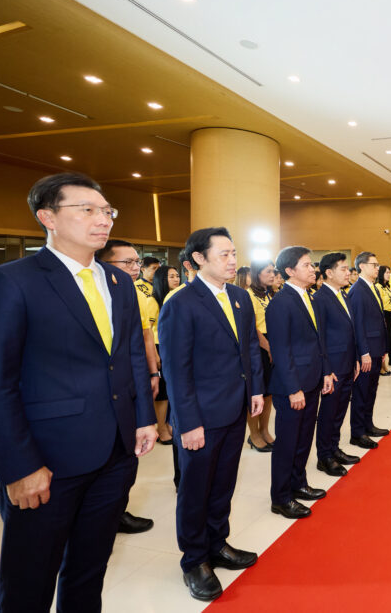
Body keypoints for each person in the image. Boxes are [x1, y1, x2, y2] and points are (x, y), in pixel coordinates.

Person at [0, 172, 157, 611]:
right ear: (47, 216)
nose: (102, 219)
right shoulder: (9, 282)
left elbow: (127, 357)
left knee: (89, 569)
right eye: (86, 209)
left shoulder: (120, 282)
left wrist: (143, 415)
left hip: (115, 451)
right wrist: (17, 466)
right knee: (29, 580)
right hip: (46, 458)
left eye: (107, 211)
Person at [158, 227, 264, 602]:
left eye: (234, 253)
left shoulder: (239, 296)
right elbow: (175, 367)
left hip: (235, 407)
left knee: (223, 483)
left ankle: (218, 544)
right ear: (198, 259)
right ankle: (194, 560)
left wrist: (256, 390)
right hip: (200, 414)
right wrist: (187, 422)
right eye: (224, 254)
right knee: (195, 489)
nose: (233, 261)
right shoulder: (181, 302)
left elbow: (250, 347)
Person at [97, 239, 162, 535]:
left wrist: (152, 371)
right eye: (128, 263)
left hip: (128, 381)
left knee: (125, 457)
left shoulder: (133, 293)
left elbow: (143, 339)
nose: (135, 268)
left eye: (137, 262)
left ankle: (116, 509)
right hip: (98, 389)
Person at [266, 246, 334, 519]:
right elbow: (281, 350)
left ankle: (299, 483)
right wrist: (294, 388)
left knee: (305, 437)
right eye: (306, 265)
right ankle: (281, 497)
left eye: (311, 264)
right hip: (292, 386)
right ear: (290, 271)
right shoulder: (281, 303)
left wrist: (326, 371)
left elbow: (320, 341)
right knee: (288, 441)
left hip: (312, 378)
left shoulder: (310, 297)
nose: (312, 269)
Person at [313, 252, 362, 477]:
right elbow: (320, 337)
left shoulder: (344, 295)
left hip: (347, 363)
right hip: (332, 366)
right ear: (329, 273)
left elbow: (350, 330)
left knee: (340, 409)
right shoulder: (320, 298)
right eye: (343, 269)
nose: (348, 272)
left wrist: (356, 359)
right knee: (329, 412)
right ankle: (324, 456)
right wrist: (326, 369)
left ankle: (334, 448)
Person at [346, 252, 390, 451]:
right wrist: (363, 352)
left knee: (371, 390)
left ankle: (368, 424)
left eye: (378, 264)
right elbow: (358, 325)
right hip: (366, 351)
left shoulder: (372, 288)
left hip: (376, 348)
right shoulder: (357, 290)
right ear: (362, 266)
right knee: (362, 392)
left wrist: (382, 349)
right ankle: (357, 433)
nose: (377, 268)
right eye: (374, 264)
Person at [246, 260, 277, 453]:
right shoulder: (248, 295)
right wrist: (268, 348)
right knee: (257, 393)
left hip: (272, 343)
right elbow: (253, 328)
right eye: (268, 271)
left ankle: (265, 430)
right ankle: (254, 434)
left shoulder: (269, 294)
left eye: (274, 271)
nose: (273, 274)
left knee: (269, 393)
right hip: (258, 347)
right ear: (258, 274)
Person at [151, 265, 181, 443]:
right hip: (157, 347)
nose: (176, 279)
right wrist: (155, 356)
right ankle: (160, 428)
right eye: (171, 276)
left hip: (172, 346)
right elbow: (147, 331)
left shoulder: (177, 298)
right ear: (161, 279)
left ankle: (169, 424)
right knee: (161, 392)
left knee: (171, 390)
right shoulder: (152, 301)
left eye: (177, 275)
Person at [377, 265, 391, 376]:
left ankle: (385, 366)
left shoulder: (388, 286)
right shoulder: (378, 286)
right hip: (384, 314)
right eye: (386, 272)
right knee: (383, 341)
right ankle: (381, 368)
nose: (388, 274)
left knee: (387, 341)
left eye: (389, 272)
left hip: (390, 315)